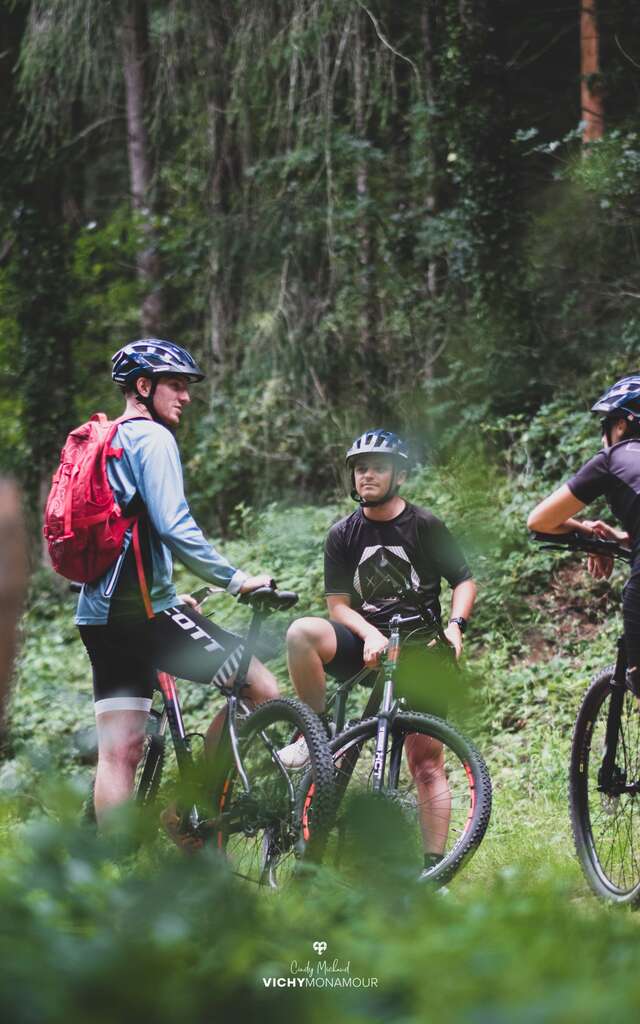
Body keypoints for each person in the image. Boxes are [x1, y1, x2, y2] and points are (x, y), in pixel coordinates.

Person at [76, 338, 279, 825]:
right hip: (144, 612)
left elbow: (128, 533)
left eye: (187, 386)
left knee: (117, 753)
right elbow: (173, 524)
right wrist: (236, 580)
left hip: (99, 615)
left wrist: (169, 592)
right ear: (142, 387)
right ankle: (187, 805)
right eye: (175, 384)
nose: (185, 396)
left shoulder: (107, 441)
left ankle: (116, 874)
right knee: (261, 687)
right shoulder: (152, 438)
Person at [279, 428, 477, 874]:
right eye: (361, 467)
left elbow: (464, 580)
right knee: (302, 633)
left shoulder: (424, 525)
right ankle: (313, 733)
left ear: (400, 475)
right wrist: (369, 634)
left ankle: (433, 869)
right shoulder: (343, 533)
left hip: (421, 648)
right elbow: (337, 607)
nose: (367, 475)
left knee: (426, 762)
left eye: (378, 467)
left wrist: (456, 627)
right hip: (365, 641)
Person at [527, 374, 640, 693]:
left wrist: (586, 531)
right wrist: (619, 538)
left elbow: (540, 520)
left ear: (621, 425)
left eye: (606, 425)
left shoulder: (615, 457)